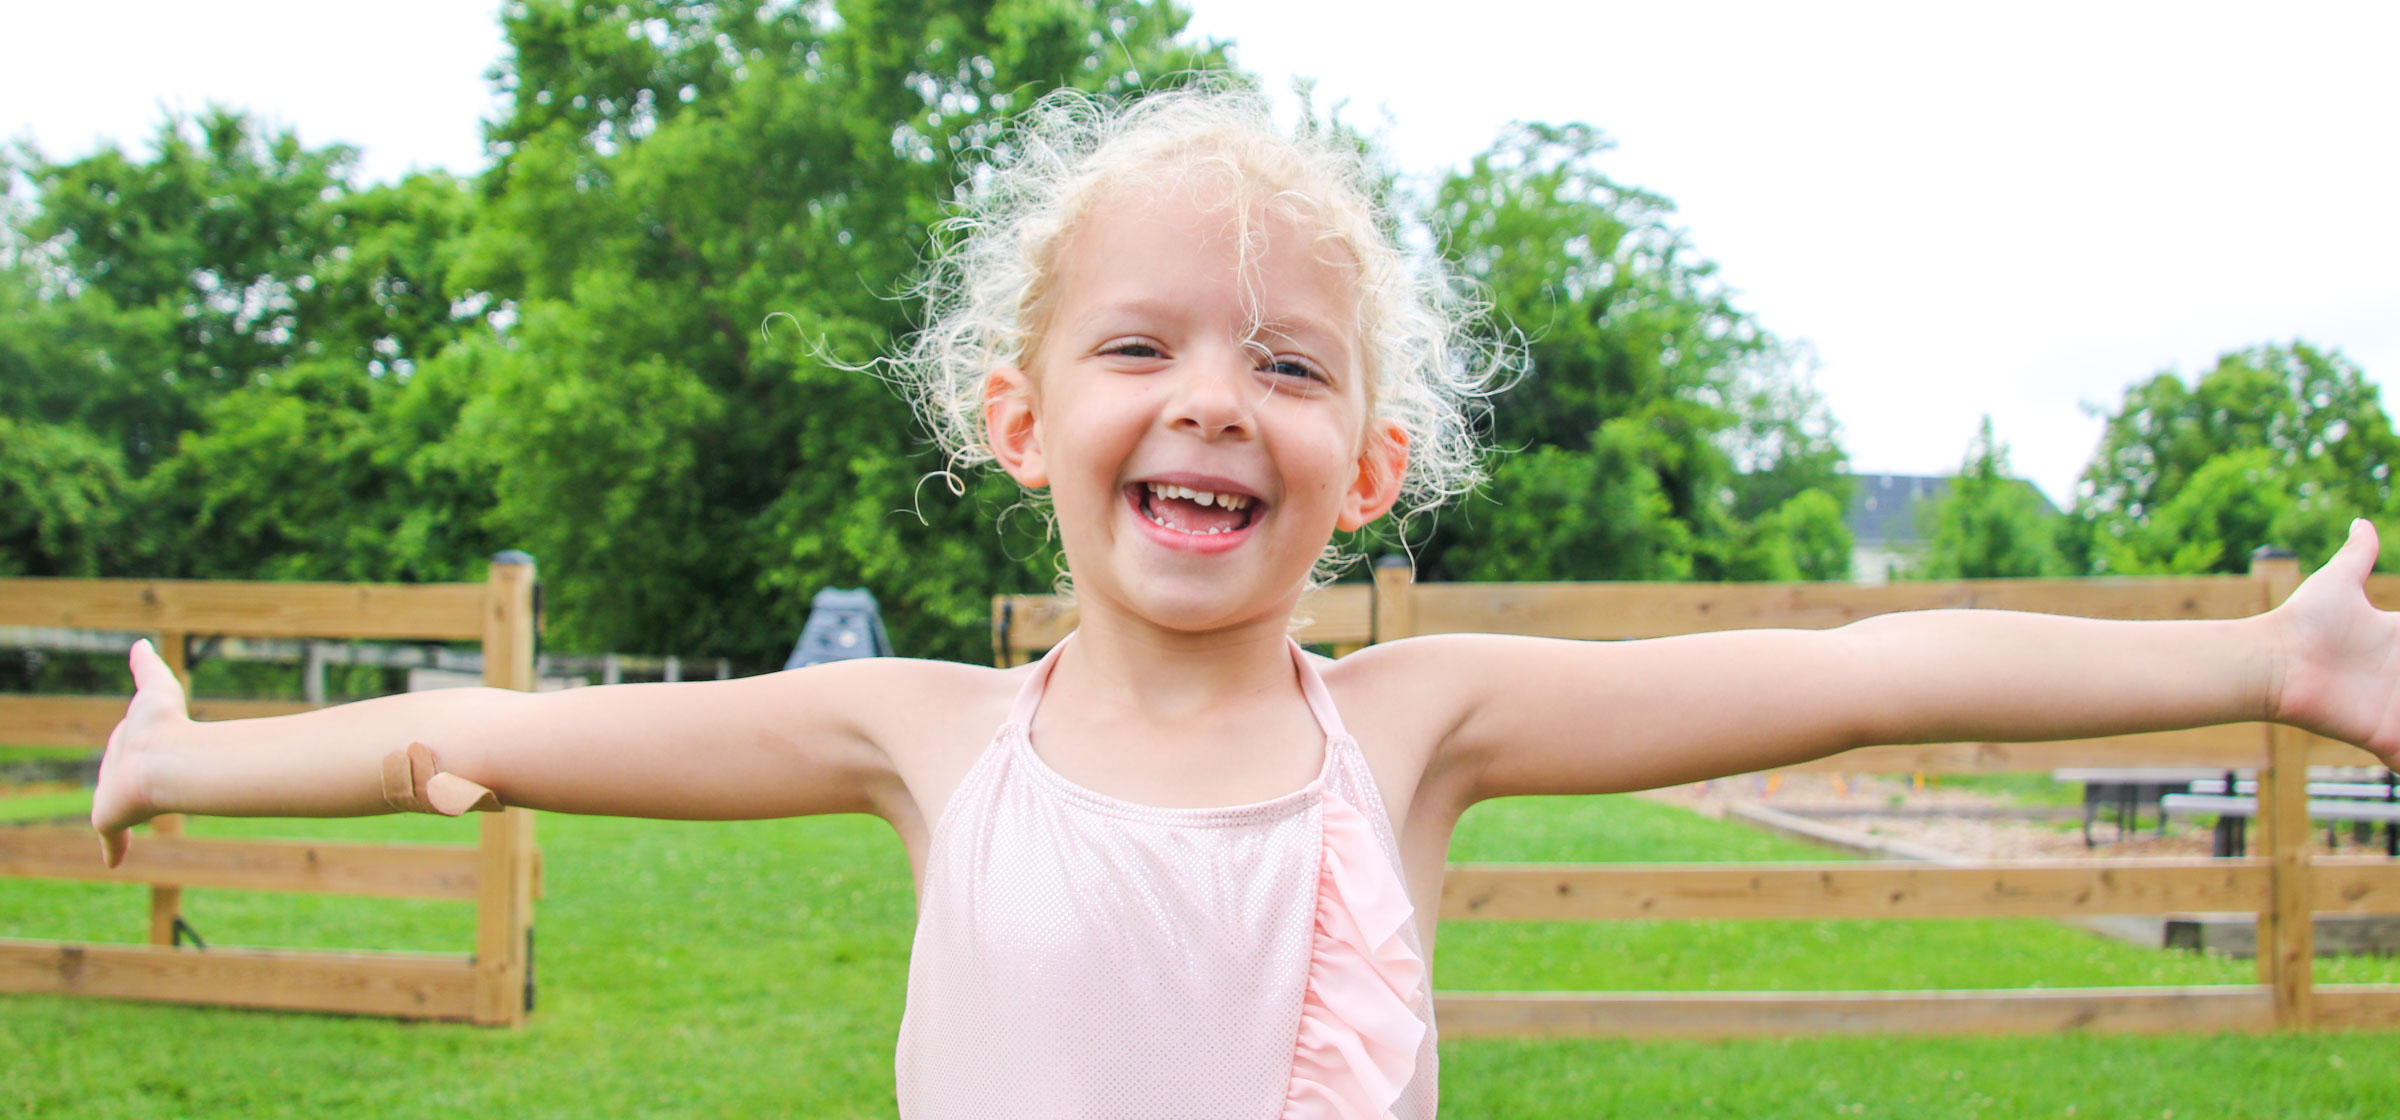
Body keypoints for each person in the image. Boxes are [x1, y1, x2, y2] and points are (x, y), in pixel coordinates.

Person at [90, 85, 2400, 1120]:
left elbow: (1856, 665)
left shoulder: (1410, 731)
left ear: (1365, 469)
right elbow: (455, 733)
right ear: (1021, 420)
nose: (1217, 399)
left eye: (1288, 364)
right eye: (1147, 347)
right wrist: (184, 755)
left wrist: (2270, 660)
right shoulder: (919, 734)